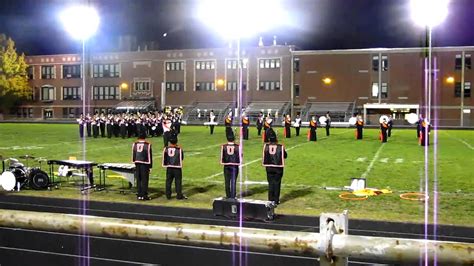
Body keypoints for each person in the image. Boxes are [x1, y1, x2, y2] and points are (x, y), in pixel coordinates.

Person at [262, 128, 287, 205]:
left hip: (269, 167)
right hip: (278, 167)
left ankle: (270, 199)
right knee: (277, 183)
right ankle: (276, 200)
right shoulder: (280, 146)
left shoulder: (266, 146)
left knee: (270, 183)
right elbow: (285, 156)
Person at [162, 131, 187, 200]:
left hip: (169, 167)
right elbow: (181, 157)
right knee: (178, 181)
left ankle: (168, 195)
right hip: (177, 167)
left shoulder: (166, 149)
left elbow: (165, 158)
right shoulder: (179, 149)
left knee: (168, 181)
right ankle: (179, 195)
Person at [132, 131, 153, 200]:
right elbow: (149, 156)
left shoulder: (134, 144)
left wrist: (135, 162)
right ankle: (144, 195)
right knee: (144, 180)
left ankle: (139, 194)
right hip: (145, 164)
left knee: (139, 179)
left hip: (137, 163)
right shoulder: (147, 145)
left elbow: (134, 154)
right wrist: (150, 166)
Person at [220, 130, 240, 199]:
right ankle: (233, 196)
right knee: (233, 181)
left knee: (227, 181)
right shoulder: (238, 146)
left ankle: (228, 195)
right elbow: (240, 156)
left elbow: (222, 157)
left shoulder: (224, 146)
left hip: (226, 165)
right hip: (234, 166)